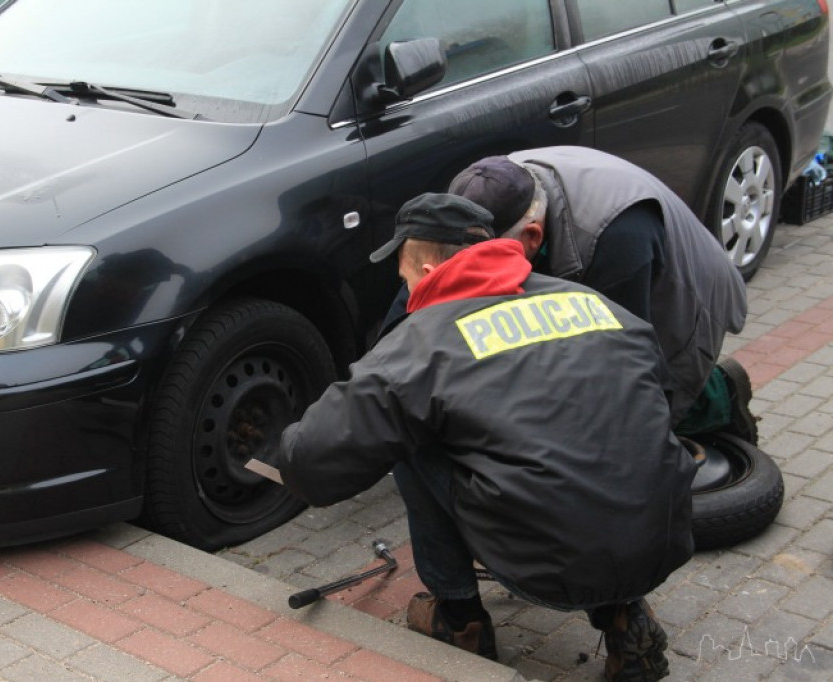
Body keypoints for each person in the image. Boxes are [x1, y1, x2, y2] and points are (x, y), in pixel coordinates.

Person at [276, 193, 695, 681]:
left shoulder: (421, 343)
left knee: (409, 438)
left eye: (405, 276)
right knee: (597, 429)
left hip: (542, 563)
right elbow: (660, 399)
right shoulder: (592, 303)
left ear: (428, 267)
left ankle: (459, 620)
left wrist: (279, 449)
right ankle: (625, 615)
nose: (405, 289)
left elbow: (312, 461)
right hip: (661, 537)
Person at [441, 146, 755, 443]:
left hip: (685, 295)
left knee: (647, 407)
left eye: (492, 256)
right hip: (605, 242)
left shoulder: (616, 243)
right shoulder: (493, 184)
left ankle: (723, 396)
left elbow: (630, 360)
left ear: (533, 235)